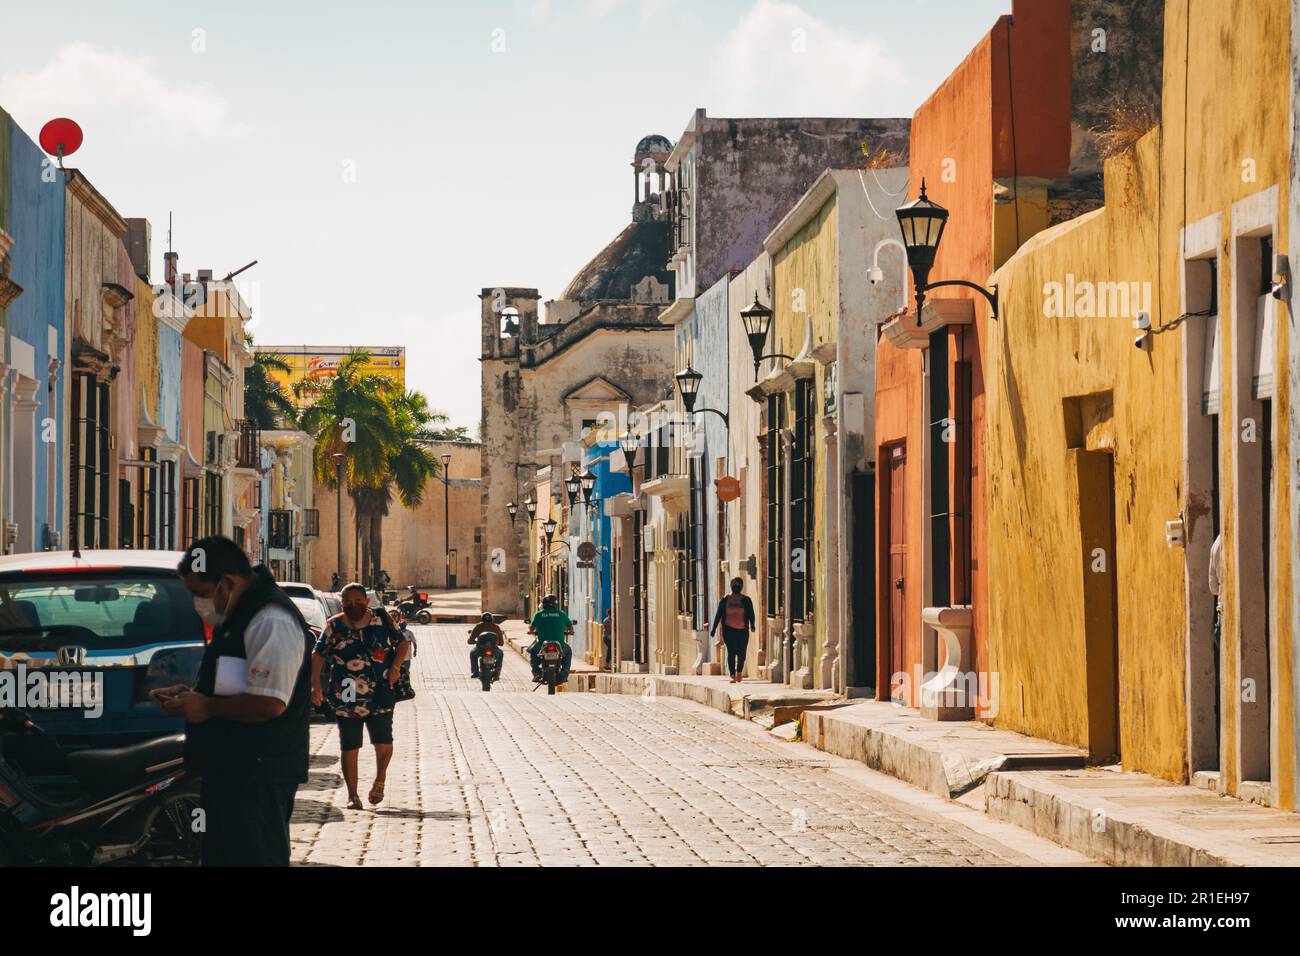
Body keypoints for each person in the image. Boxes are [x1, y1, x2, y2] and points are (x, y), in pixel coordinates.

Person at [155, 536, 314, 867]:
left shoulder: (271, 619)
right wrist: (192, 695)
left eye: (201, 594)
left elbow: (269, 703)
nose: (199, 604)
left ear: (226, 583)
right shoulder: (239, 617)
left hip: (257, 776)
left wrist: (208, 707)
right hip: (230, 771)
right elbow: (237, 682)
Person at [311, 583, 411, 810]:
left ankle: (380, 779)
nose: (352, 606)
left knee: (383, 741)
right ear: (341, 603)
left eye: (357, 602)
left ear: (366, 602)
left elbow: (402, 642)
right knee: (349, 743)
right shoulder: (334, 625)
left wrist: (395, 667)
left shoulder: (382, 619)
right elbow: (318, 653)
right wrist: (315, 683)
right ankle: (352, 795)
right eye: (347, 603)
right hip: (346, 688)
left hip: (380, 687)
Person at [710, 577, 756, 683]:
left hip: (743, 631)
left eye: (738, 585)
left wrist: (752, 625)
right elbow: (718, 615)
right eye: (734, 585)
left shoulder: (746, 600)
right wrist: (713, 629)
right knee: (731, 652)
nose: (736, 587)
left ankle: (739, 671)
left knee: (742, 653)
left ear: (741, 587)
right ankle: (732, 674)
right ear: (731, 586)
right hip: (728, 631)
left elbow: (751, 613)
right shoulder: (725, 600)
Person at [528, 594, 573, 681]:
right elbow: (570, 628)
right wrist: (571, 632)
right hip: (559, 645)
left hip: (542, 645)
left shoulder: (538, 614)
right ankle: (565, 672)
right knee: (568, 651)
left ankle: (536, 673)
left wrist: (531, 631)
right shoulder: (561, 614)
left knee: (533, 652)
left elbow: (531, 628)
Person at [468, 612, 505, 679]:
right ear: (492, 619)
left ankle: (475, 671)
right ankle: (497, 669)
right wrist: (498, 643)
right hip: (494, 649)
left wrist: (474, 642)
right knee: (501, 654)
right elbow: (501, 642)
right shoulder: (496, 627)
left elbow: (470, 640)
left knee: (472, 654)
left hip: (480, 649)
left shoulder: (478, 626)